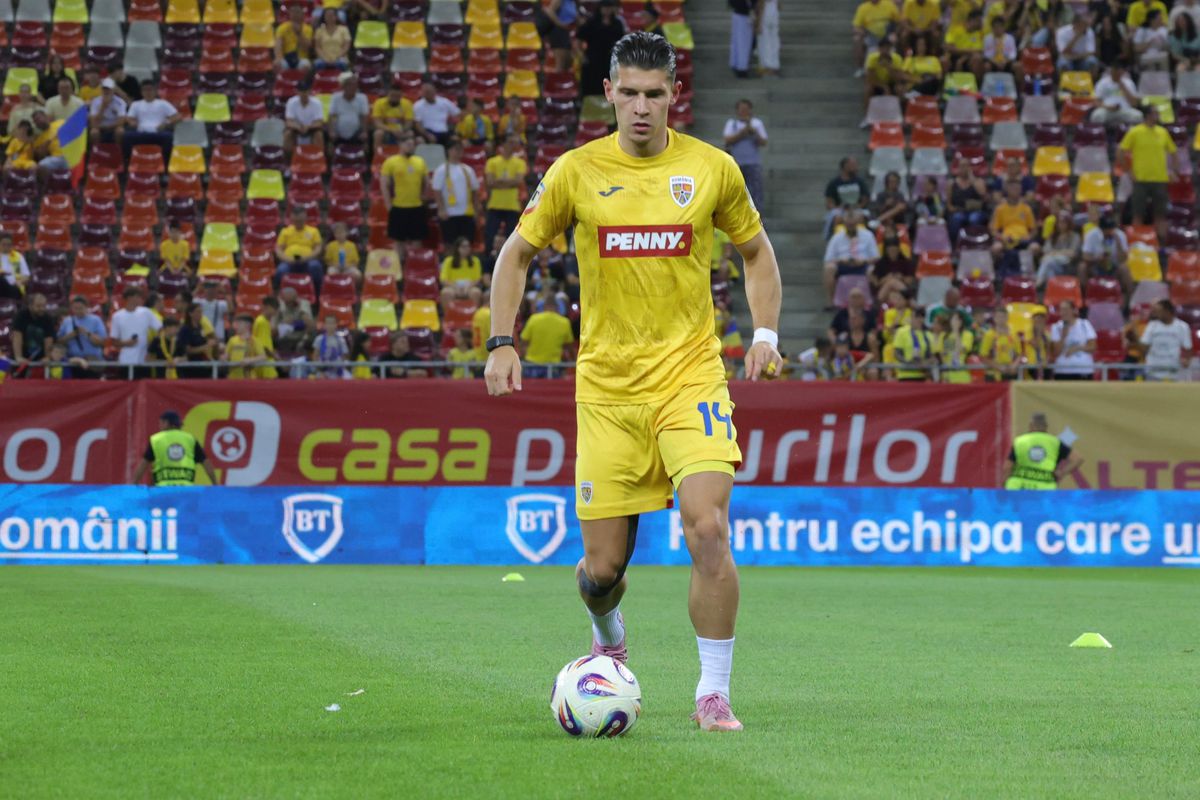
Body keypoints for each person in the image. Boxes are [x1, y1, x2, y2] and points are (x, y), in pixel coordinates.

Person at [484, 32, 783, 732]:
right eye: (630, 93)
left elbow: (756, 252)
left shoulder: (711, 169)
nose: (642, 107)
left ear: (672, 95)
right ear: (609, 94)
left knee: (707, 527)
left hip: (691, 377)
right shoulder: (575, 172)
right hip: (609, 392)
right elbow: (516, 254)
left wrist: (764, 334)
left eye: (655, 94)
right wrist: (502, 340)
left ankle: (712, 694)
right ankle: (610, 638)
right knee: (601, 571)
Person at [1119, 104, 1176, 240]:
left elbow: (1173, 152)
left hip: (1160, 179)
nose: (1157, 116)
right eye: (1155, 113)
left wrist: (1173, 171)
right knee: (1138, 214)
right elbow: (1121, 151)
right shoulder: (1135, 132)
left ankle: (1161, 243)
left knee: (1160, 215)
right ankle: (1136, 241)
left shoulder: (1163, 132)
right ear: (1148, 115)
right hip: (1140, 180)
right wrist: (1128, 170)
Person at [132, 411, 218, 486]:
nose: (159, 426)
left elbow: (143, 465)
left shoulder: (156, 440)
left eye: (161, 423)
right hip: (186, 490)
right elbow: (206, 463)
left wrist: (133, 485)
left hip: (163, 489)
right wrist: (215, 484)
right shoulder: (190, 439)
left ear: (166, 423)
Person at [380, 132, 430, 258]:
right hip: (398, 206)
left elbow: (426, 181)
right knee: (398, 241)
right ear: (400, 145)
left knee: (417, 240)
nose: (410, 146)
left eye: (412, 144)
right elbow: (384, 184)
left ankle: (415, 266)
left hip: (417, 207)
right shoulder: (390, 162)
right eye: (407, 144)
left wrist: (424, 196)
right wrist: (388, 204)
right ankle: (400, 271)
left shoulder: (420, 162)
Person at [1004, 413, 1080, 490]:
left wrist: (1003, 488)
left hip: (1019, 488)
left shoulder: (1020, 441)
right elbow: (1077, 459)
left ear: (1031, 425)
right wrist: (1061, 473)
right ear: (1046, 427)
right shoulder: (1055, 442)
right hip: (1044, 489)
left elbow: (1007, 467)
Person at [822, 210, 879, 308]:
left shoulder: (868, 235)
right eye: (848, 225)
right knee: (829, 268)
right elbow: (828, 258)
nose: (850, 227)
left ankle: (873, 301)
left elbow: (876, 257)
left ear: (857, 223)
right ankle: (832, 302)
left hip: (862, 265)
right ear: (844, 224)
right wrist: (841, 260)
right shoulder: (836, 238)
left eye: (852, 225)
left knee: (873, 270)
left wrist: (863, 261)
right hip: (843, 265)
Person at [484, 136, 528, 252]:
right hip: (495, 204)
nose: (513, 145)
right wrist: (510, 182)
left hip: (512, 205)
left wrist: (498, 181)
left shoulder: (520, 163)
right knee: (489, 236)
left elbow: (518, 181)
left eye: (514, 143)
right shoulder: (492, 162)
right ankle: (489, 260)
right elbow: (490, 182)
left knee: (512, 238)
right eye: (510, 142)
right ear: (502, 145)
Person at [433, 140, 481, 247]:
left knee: (467, 244)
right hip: (449, 213)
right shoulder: (441, 170)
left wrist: (476, 209)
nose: (458, 151)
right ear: (448, 151)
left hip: (466, 212)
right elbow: (437, 191)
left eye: (460, 149)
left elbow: (474, 191)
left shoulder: (468, 170)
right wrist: (441, 209)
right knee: (450, 244)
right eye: (455, 149)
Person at [723, 99, 768, 210]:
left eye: (746, 109)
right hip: (736, 164)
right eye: (742, 109)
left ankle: (757, 218)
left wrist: (754, 132)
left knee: (755, 193)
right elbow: (727, 140)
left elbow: (764, 142)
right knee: (736, 191)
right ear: (737, 111)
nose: (744, 111)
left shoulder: (757, 123)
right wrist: (742, 133)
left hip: (753, 164)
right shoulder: (731, 124)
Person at [577, 0, 628, 96]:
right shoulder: (591, 23)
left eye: (609, 7)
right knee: (591, 89)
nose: (607, 10)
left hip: (611, 61)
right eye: (605, 7)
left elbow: (622, 42)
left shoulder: (618, 24)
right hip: (593, 61)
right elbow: (578, 40)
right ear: (600, 9)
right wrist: (581, 56)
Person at [110, 287, 162, 379]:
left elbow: (161, 330)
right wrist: (126, 343)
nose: (140, 299)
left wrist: (152, 348)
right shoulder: (117, 316)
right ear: (130, 298)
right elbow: (113, 341)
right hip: (125, 361)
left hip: (144, 361)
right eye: (138, 297)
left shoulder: (146, 312)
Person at [123, 81, 180, 161]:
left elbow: (177, 116)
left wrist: (166, 123)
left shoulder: (163, 103)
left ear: (155, 91)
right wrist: (132, 123)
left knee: (169, 137)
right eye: (145, 90)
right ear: (141, 92)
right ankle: (129, 161)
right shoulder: (136, 104)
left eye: (150, 90)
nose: (148, 92)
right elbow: (129, 118)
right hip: (141, 132)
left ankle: (165, 162)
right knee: (127, 136)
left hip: (158, 132)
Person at [275, 207, 326, 294]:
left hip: (308, 261)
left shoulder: (313, 231)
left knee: (316, 267)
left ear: (305, 218)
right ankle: (282, 296)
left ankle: (317, 295)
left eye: (300, 220)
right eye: (296, 221)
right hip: (289, 262)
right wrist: (287, 259)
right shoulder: (285, 231)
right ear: (292, 219)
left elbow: (318, 248)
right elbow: (279, 249)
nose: (298, 223)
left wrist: (307, 257)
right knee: (281, 270)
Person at [1141, 299, 1194, 380]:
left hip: (1172, 371)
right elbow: (1144, 346)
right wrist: (1134, 340)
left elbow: (1188, 348)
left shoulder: (1182, 327)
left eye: (1158, 311)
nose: (1156, 314)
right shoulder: (1152, 325)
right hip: (1153, 371)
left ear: (1167, 311)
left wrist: (1186, 360)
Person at [1079, 215, 1132, 295]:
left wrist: (1118, 243)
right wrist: (1097, 259)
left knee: (1124, 268)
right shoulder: (1091, 235)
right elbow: (1085, 256)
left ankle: (1130, 300)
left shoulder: (1120, 235)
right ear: (1101, 229)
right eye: (1106, 229)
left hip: (1114, 267)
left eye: (1111, 228)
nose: (1109, 231)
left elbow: (1123, 259)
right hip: (1096, 267)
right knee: (1082, 267)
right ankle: (1084, 298)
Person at [823, 157, 870, 239]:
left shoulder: (860, 182)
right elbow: (829, 203)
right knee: (836, 218)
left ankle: (862, 240)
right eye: (853, 165)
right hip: (840, 209)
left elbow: (865, 200)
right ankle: (834, 240)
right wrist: (838, 208)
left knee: (861, 218)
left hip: (856, 208)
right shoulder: (834, 183)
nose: (856, 167)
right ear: (845, 166)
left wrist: (856, 206)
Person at [56, 295, 106, 372]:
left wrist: (87, 333)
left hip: (92, 361)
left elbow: (101, 342)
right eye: (75, 308)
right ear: (72, 308)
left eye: (81, 308)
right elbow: (59, 341)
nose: (78, 311)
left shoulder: (96, 320)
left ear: (86, 307)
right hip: (73, 361)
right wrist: (70, 336)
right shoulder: (67, 321)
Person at [1050, 299, 1096, 380]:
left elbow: (1093, 347)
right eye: (1061, 310)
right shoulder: (1056, 327)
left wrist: (1076, 348)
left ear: (1074, 310)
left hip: (1083, 370)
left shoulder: (1084, 324)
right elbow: (1056, 352)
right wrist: (1063, 336)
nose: (1063, 312)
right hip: (1062, 371)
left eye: (1066, 309)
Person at [853, 0, 900, 76]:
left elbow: (898, 21)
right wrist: (862, 32)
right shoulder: (863, 8)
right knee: (857, 38)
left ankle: (894, 66)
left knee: (894, 38)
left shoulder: (889, 5)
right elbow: (856, 26)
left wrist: (894, 32)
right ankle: (861, 68)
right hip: (871, 36)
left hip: (887, 35)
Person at [11, 292, 56, 369]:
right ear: (30, 306)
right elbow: (17, 336)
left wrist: (47, 357)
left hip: (40, 359)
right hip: (23, 355)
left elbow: (49, 339)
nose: (42, 309)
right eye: (38, 306)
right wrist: (18, 357)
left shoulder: (48, 318)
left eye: (44, 306)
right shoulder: (21, 315)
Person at [1035, 212, 1081, 287]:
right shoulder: (1053, 236)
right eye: (1059, 222)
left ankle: (1037, 283)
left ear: (1068, 223)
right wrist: (1056, 253)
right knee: (1049, 268)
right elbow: (1046, 251)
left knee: (1048, 261)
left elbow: (1073, 253)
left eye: (1064, 222)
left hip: (1066, 266)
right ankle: (1053, 291)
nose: (1061, 225)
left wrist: (1055, 253)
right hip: (1052, 264)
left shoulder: (1075, 236)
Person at [326, 74, 369, 151]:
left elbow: (364, 116)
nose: (353, 88)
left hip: (356, 132)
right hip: (338, 133)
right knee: (329, 143)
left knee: (366, 143)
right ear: (344, 87)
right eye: (350, 86)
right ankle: (331, 162)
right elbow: (331, 116)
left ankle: (364, 161)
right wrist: (331, 131)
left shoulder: (362, 97)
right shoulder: (336, 97)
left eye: (355, 86)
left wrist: (364, 132)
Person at [1092, 62, 1142, 126]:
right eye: (1115, 71)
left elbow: (1134, 103)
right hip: (1107, 109)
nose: (1116, 74)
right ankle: (1100, 134)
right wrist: (1107, 107)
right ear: (1111, 71)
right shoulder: (1102, 82)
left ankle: (1131, 134)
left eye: (1119, 71)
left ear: (1122, 72)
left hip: (1125, 109)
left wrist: (1122, 85)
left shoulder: (1129, 83)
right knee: (1097, 115)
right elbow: (1096, 102)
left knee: (1138, 116)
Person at [284, 80, 326, 155]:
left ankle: (318, 159)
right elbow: (289, 122)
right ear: (297, 92)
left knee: (319, 135)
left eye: (306, 91)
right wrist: (298, 127)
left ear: (309, 91)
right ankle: (288, 160)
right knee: (288, 134)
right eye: (301, 91)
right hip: (297, 128)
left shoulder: (317, 103)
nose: (304, 94)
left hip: (312, 128)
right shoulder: (291, 102)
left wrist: (308, 127)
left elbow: (319, 122)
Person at [892, 309, 935, 380]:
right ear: (911, 318)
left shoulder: (929, 335)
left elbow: (932, 356)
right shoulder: (901, 332)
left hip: (922, 375)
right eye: (916, 317)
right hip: (904, 375)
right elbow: (897, 353)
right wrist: (909, 363)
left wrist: (925, 362)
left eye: (922, 317)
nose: (919, 320)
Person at [177, 302, 217, 378]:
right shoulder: (185, 329)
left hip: (202, 365)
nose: (200, 314)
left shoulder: (200, 327)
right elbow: (188, 350)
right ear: (190, 313)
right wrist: (206, 346)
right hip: (190, 368)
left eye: (201, 311)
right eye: (198, 311)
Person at [943, 9, 985, 79]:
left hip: (968, 58)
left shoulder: (979, 33)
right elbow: (949, 48)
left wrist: (961, 60)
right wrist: (968, 51)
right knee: (943, 60)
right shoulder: (955, 28)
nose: (981, 24)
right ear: (971, 20)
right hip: (953, 56)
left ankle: (976, 85)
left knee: (977, 58)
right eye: (979, 21)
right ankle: (943, 85)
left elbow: (978, 51)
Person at [538, 0, 577, 72]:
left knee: (567, 65)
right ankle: (554, 82)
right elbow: (550, 11)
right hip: (558, 32)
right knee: (560, 66)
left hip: (565, 32)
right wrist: (560, 24)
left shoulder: (573, 2)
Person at [225, 314, 268, 379]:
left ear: (248, 325)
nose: (236, 326)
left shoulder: (255, 341)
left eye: (239, 324)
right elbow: (227, 356)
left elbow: (263, 357)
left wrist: (250, 360)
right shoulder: (232, 340)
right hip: (232, 378)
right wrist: (223, 357)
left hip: (249, 379)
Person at [371, 85, 413, 149]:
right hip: (386, 131)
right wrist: (392, 130)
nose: (395, 98)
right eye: (392, 95)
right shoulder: (379, 103)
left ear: (401, 95)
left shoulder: (407, 103)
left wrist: (402, 130)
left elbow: (409, 122)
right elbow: (377, 123)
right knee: (378, 133)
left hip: (401, 131)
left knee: (410, 133)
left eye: (397, 96)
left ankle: (407, 156)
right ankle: (377, 156)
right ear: (387, 94)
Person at [88, 78, 126, 146]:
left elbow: (121, 122)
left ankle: (118, 151)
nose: (106, 91)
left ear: (113, 90)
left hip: (114, 126)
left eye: (108, 89)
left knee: (120, 131)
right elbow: (93, 122)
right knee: (94, 132)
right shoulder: (95, 102)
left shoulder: (120, 102)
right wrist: (103, 107)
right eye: (104, 89)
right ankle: (96, 151)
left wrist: (107, 127)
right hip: (99, 127)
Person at [275, 3, 314, 70]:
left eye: (297, 12)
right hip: (286, 58)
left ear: (302, 14)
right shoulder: (282, 28)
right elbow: (278, 45)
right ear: (289, 13)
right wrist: (279, 58)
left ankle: (303, 81)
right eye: (292, 12)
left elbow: (307, 48)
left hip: (301, 58)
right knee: (278, 64)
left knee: (306, 65)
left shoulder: (308, 29)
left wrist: (299, 33)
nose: (295, 14)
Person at [312, 314, 351, 378]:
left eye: (332, 323)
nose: (330, 325)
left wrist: (339, 366)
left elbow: (344, 356)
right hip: (323, 371)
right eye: (328, 323)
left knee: (349, 378)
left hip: (338, 370)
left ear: (336, 325)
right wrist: (320, 369)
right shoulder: (319, 339)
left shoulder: (341, 340)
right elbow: (315, 356)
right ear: (324, 325)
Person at [253, 296, 281, 379]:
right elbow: (263, 346)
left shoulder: (263, 321)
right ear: (267, 307)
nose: (275, 313)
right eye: (275, 309)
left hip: (264, 360)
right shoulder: (262, 322)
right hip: (266, 362)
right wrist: (276, 358)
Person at [729, 0, 756, 78]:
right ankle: (742, 68)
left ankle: (735, 63)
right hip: (744, 15)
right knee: (744, 44)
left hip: (737, 13)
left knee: (737, 42)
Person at [0, 233, 30, 298]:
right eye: (4, 244)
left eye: (9, 245)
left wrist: (20, 281)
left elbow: (26, 276)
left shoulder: (18, 256)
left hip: (15, 287)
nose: (6, 247)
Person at [756, 0, 781, 75]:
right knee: (774, 41)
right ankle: (775, 65)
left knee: (764, 42)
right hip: (774, 13)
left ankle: (767, 66)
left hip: (766, 14)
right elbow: (780, 5)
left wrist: (759, 23)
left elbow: (761, 4)